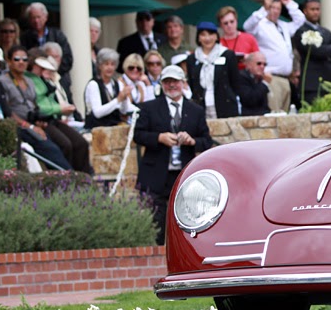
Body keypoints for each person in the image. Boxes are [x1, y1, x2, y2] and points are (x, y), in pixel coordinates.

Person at [134, 65, 212, 245]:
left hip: (184, 174)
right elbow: (138, 135)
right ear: (161, 84)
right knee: (155, 222)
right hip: (156, 174)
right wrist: (159, 137)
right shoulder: (149, 108)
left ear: (183, 83)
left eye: (175, 81)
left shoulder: (195, 110)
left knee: (186, 220)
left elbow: (206, 141)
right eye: (167, 81)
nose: (171, 85)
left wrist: (192, 141)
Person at [0, 45, 72, 171]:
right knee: (50, 149)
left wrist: (39, 121)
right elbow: (8, 111)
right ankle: (68, 177)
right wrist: (30, 126)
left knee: (66, 143)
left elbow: (35, 105)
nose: (21, 62)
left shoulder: (29, 81)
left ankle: (68, 176)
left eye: (24, 59)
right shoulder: (2, 81)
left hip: (36, 122)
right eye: (17, 59)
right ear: (9, 61)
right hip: (20, 126)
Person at [27, 55, 92, 173]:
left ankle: (85, 179)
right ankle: (67, 181)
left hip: (53, 119)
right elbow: (38, 105)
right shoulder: (29, 80)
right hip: (41, 121)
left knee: (81, 143)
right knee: (65, 145)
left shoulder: (43, 79)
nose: (44, 70)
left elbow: (50, 100)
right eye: (41, 67)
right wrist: (59, 109)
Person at [291, 0, 331, 105]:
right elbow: (314, 51)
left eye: (317, 9)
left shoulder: (326, 32)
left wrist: (325, 50)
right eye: (312, 9)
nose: (315, 12)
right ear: (305, 11)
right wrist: (330, 49)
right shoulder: (301, 32)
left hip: (330, 81)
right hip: (312, 84)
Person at [186, 21, 242, 119]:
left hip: (225, 105)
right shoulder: (192, 58)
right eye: (203, 35)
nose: (207, 38)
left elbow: (235, 82)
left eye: (211, 34)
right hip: (201, 106)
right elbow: (192, 83)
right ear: (198, 37)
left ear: (216, 36)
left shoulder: (227, 55)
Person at [21, 2, 74, 93]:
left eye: (38, 17)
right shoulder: (25, 37)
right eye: (33, 18)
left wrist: (51, 72)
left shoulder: (58, 35)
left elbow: (67, 59)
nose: (36, 21)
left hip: (59, 79)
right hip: (35, 81)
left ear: (45, 17)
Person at [85, 48, 134, 128]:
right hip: (97, 128)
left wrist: (124, 99)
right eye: (106, 64)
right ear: (100, 66)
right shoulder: (93, 84)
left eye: (112, 64)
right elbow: (97, 113)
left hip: (114, 126)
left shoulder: (118, 84)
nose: (109, 67)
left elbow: (123, 111)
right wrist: (118, 99)